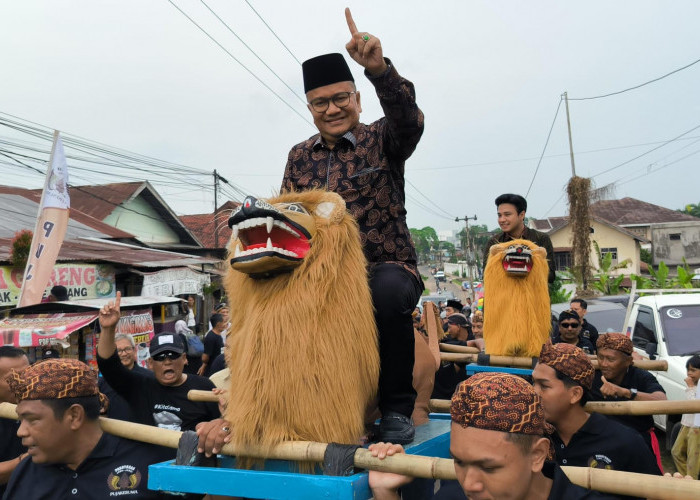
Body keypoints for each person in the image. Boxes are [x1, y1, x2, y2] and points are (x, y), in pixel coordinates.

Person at [281, 8, 424, 444]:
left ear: (358, 99)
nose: (333, 108)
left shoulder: (383, 138)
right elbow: (289, 218)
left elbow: (410, 120)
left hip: (387, 268)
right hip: (320, 274)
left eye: (341, 98)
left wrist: (379, 69)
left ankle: (397, 407)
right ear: (310, 108)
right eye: (321, 102)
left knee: (381, 291)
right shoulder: (299, 156)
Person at [369, 372, 615, 499]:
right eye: (460, 462)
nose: (469, 485)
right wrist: (384, 492)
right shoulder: (452, 497)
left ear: (537, 455)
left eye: (489, 468)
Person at [3, 358, 171, 499]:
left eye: (32, 420)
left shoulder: (150, 464)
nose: (21, 431)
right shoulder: (25, 472)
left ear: (75, 416)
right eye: (21, 420)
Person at [533, 342, 661, 492]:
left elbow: (656, 492)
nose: (533, 393)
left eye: (544, 386)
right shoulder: (533, 437)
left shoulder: (624, 442)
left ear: (575, 394)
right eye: (533, 383)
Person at [97, 292, 220, 432]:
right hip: (149, 453)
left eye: (173, 355)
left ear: (184, 359)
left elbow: (222, 425)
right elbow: (108, 366)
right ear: (150, 363)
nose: (167, 362)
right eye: (160, 357)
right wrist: (108, 329)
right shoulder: (141, 386)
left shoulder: (203, 387)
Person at [590, 333, 667, 469]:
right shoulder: (591, 377)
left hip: (639, 443)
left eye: (610, 359)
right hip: (601, 443)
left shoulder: (641, 377)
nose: (604, 364)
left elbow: (661, 401)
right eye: (600, 357)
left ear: (628, 361)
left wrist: (626, 392)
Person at [482, 193, 555, 283]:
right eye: (499, 215)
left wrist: (525, 265)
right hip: (504, 296)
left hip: (533, 296)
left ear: (522, 215)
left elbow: (551, 276)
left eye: (507, 215)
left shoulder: (540, 238)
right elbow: (486, 275)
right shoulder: (494, 242)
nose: (502, 220)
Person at [98, 333, 153, 422]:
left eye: (127, 349)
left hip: (143, 433)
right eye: (119, 350)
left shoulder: (149, 378)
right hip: (113, 433)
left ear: (134, 350)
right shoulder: (104, 382)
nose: (124, 354)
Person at [0, 346, 29, 497]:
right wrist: (27, 460)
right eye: (13, 378)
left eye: (27, 374)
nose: (22, 382)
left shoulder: (38, 405)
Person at [671, 354, 700, 479]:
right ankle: (686, 479)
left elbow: (693, 405)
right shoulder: (694, 384)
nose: (689, 373)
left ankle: (690, 485)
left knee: (693, 460)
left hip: (697, 428)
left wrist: (690, 387)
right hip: (687, 424)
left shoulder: (693, 386)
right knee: (676, 452)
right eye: (688, 370)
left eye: (693, 370)